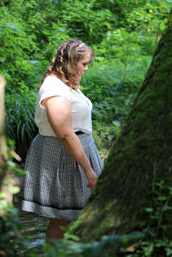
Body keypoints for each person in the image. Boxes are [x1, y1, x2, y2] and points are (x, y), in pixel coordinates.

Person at [22, 39, 103, 242]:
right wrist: (87, 168)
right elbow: (66, 134)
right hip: (63, 155)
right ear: (70, 62)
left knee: (69, 216)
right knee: (64, 216)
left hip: (75, 151)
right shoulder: (54, 89)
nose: (86, 69)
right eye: (84, 64)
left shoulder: (65, 83)